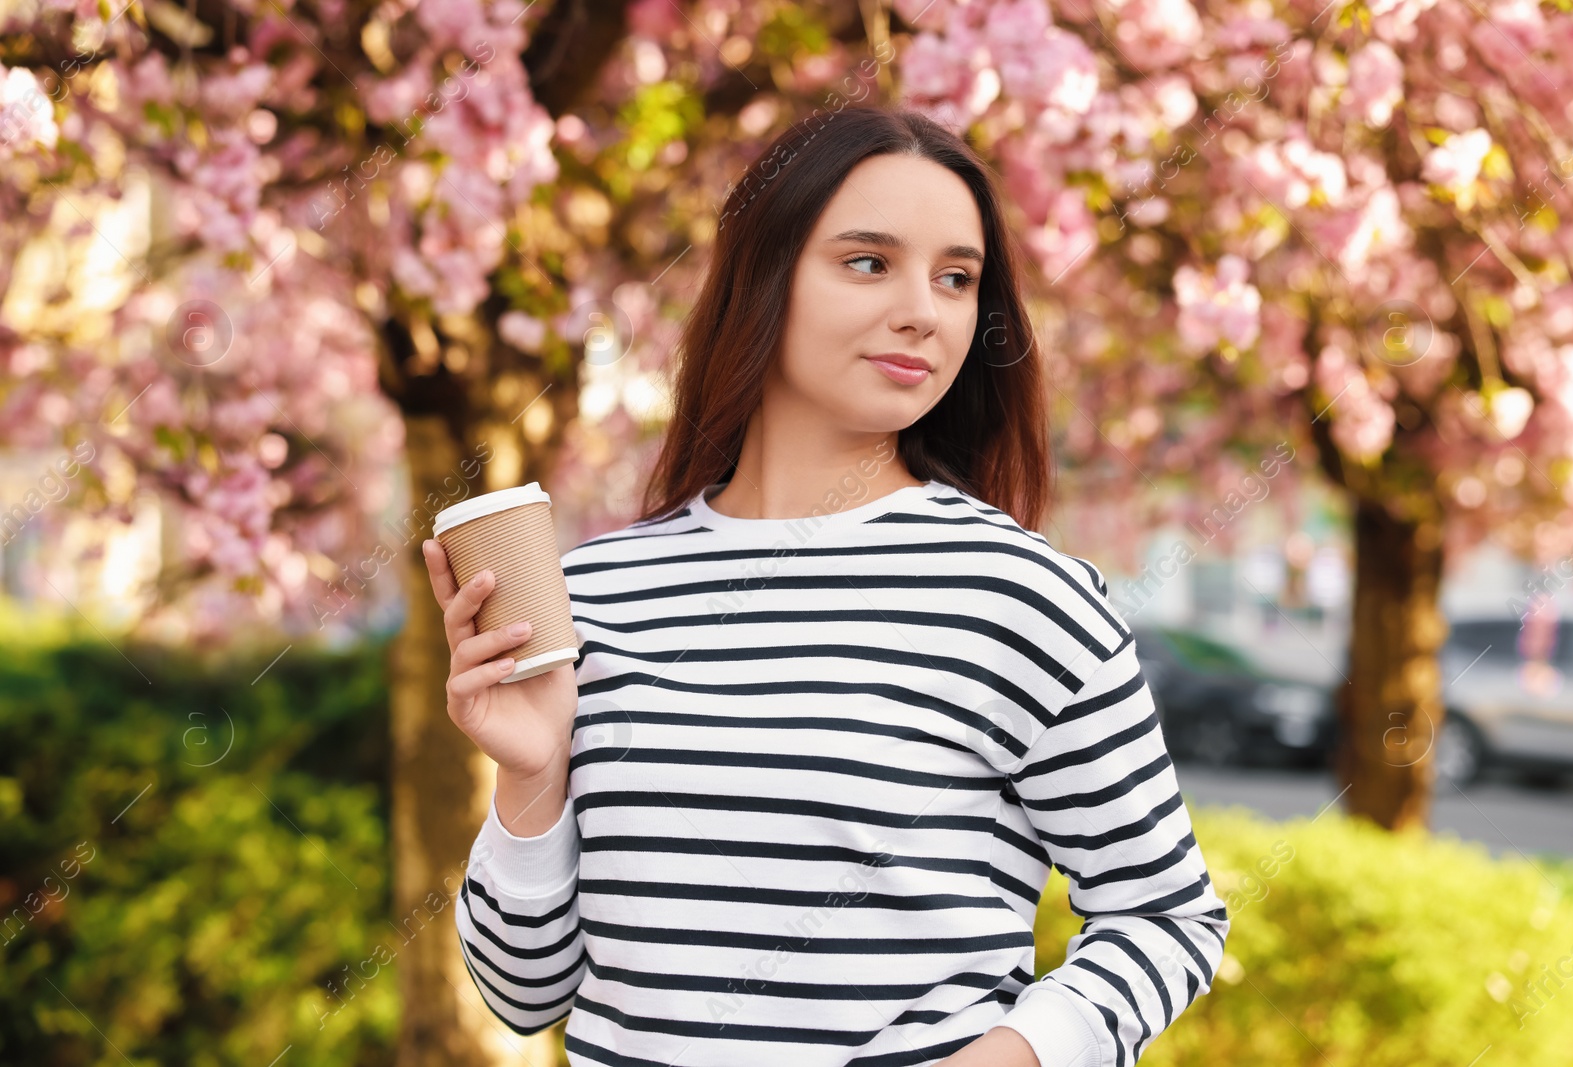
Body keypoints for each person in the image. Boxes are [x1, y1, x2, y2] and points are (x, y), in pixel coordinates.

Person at [423, 105, 1229, 1067]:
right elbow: (524, 991)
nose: (924, 311)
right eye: (867, 261)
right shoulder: (594, 592)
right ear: (763, 278)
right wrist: (531, 776)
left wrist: (1010, 1053)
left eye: (957, 278)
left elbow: (1166, 912)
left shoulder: (1021, 599)